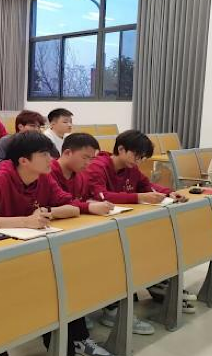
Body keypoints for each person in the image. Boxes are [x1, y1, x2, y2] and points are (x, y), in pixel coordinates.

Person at [0, 132, 102, 356]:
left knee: (64, 278)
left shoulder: (43, 178)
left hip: (30, 250)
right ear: (24, 160)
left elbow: (70, 206)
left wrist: (46, 212)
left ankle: (72, 342)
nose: (51, 159)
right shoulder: (0, 179)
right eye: (44, 155)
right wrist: (25, 221)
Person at [85, 130, 187, 335]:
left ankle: (154, 283)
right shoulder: (98, 166)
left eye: (142, 158)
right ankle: (112, 307)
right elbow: (102, 195)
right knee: (119, 259)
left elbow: (147, 185)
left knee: (151, 245)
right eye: (137, 156)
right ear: (121, 149)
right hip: (99, 228)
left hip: (124, 223)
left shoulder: (131, 168)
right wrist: (139, 197)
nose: (139, 161)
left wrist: (168, 192)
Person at [50, 133, 114, 215]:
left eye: (91, 159)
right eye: (84, 157)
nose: (88, 163)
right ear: (67, 153)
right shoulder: (47, 172)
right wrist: (88, 207)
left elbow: (83, 200)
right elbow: (59, 203)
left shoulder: (82, 175)